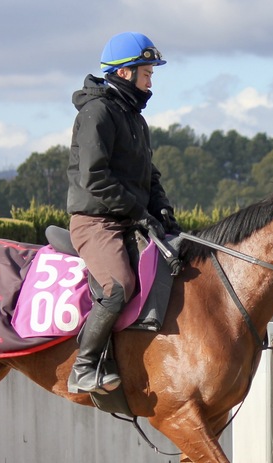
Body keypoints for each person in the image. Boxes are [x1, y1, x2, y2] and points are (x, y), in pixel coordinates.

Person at [66, 31, 181, 394]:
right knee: (118, 287)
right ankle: (84, 366)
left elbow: (149, 174)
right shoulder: (97, 113)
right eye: (147, 74)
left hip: (128, 218)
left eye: (151, 75)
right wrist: (139, 212)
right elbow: (95, 178)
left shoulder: (135, 119)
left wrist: (161, 208)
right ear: (124, 73)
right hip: (96, 221)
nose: (151, 83)